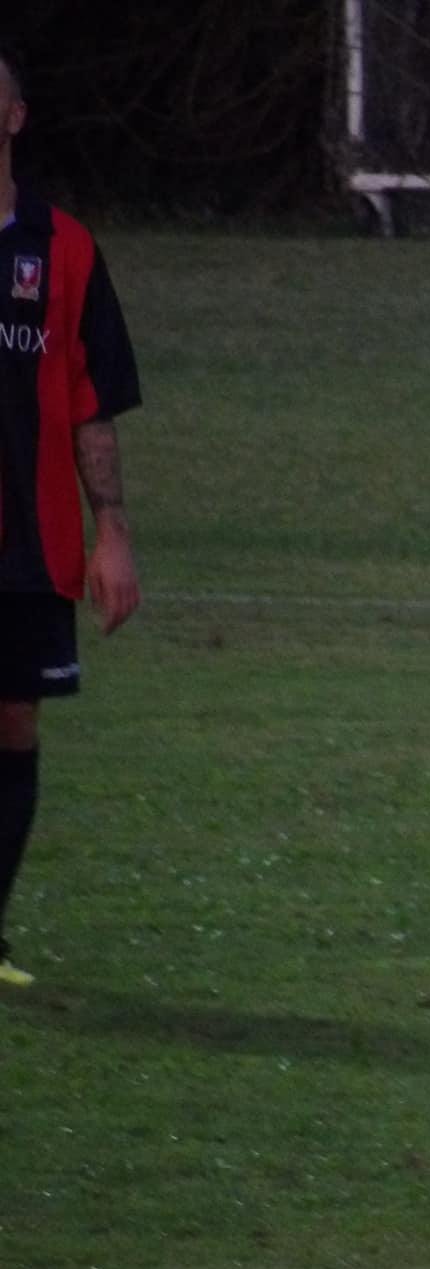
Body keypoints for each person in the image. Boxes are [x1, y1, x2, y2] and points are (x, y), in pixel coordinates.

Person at [0, 42, 144, 987]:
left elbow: (93, 405)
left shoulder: (67, 249)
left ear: (14, 117)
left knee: (14, 725)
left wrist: (113, 533)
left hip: (31, 542)